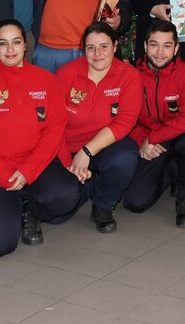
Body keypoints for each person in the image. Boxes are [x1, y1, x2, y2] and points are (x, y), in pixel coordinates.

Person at [0, 20, 80, 257]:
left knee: (66, 195)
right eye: (3, 43)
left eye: (16, 42)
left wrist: (28, 171)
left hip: (33, 165)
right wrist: (6, 176)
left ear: (25, 45)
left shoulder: (46, 81)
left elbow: (54, 130)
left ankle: (28, 210)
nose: (10, 49)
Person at [55, 22, 141, 232]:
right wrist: (69, 164)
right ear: (83, 49)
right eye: (90, 47)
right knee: (57, 214)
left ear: (115, 45)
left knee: (125, 156)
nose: (97, 54)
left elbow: (125, 121)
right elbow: (53, 124)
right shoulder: (66, 74)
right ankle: (88, 183)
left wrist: (86, 152)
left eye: (104, 46)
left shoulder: (128, 76)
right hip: (65, 148)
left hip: (103, 147)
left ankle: (103, 205)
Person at [122, 19, 185, 227]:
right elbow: (125, 118)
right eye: (154, 44)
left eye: (167, 45)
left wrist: (154, 137)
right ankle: (170, 172)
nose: (160, 52)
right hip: (148, 140)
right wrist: (142, 141)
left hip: (178, 136)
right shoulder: (131, 75)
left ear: (176, 48)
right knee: (135, 202)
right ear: (144, 46)